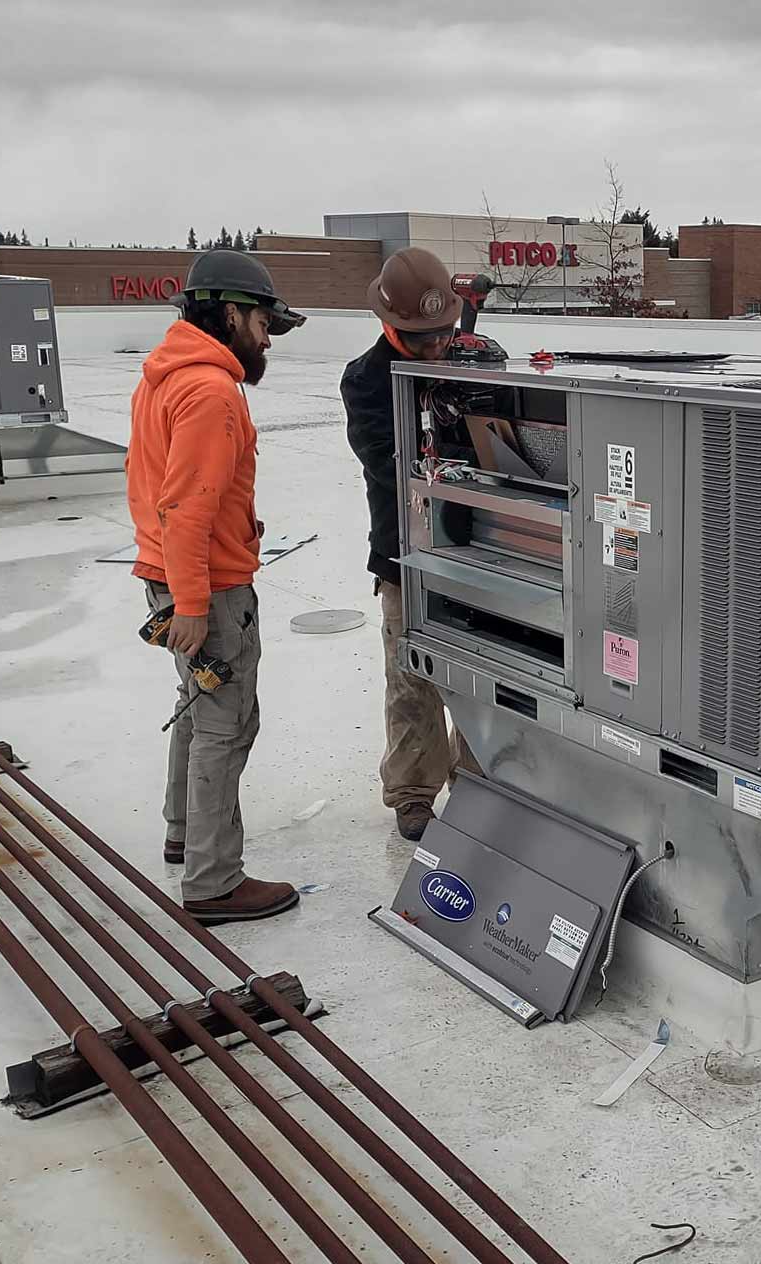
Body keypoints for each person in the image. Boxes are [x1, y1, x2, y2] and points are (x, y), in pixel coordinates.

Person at [126, 249, 305, 924]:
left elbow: (161, 496)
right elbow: (189, 506)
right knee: (226, 725)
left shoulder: (163, 378)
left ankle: (183, 831)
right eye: (262, 323)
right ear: (230, 313)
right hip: (208, 588)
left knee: (198, 707)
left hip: (167, 574)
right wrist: (196, 605)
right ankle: (213, 882)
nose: (266, 339)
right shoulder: (209, 391)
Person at [339, 247, 480, 841]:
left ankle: (481, 783)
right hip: (404, 549)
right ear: (387, 324)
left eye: (443, 334)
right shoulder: (366, 380)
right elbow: (383, 460)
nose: (435, 347)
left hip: (474, 547)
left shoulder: (465, 360)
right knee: (411, 676)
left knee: (481, 674)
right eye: (421, 339)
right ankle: (413, 791)